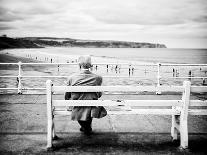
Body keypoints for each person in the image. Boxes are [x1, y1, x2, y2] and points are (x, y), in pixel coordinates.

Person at [65, 56, 107, 135]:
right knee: (91, 104)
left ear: (79, 65)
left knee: (81, 105)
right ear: (91, 65)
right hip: (92, 105)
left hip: (77, 105)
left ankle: (85, 127)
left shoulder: (71, 77)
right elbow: (99, 95)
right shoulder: (98, 78)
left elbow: (67, 95)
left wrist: (67, 102)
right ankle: (87, 127)